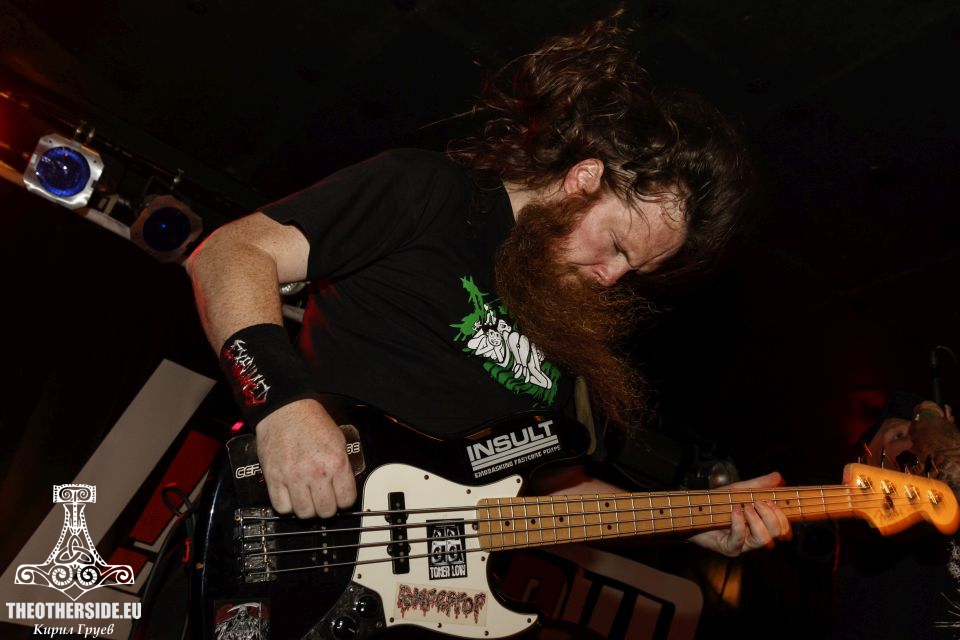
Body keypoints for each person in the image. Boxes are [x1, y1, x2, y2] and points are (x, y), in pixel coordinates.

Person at [187, 10, 789, 564]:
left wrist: (697, 523)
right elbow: (230, 253)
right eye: (616, 245)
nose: (612, 276)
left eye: (635, 271)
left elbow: (556, 492)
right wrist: (283, 405)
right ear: (584, 179)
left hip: (409, 592)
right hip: (283, 535)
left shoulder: (564, 339)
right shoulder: (431, 193)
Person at [832, 394, 960, 639]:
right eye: (899, 436)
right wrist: (931, 421)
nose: (918, 439)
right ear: (868, 463)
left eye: (922, 432)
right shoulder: (857, 520)